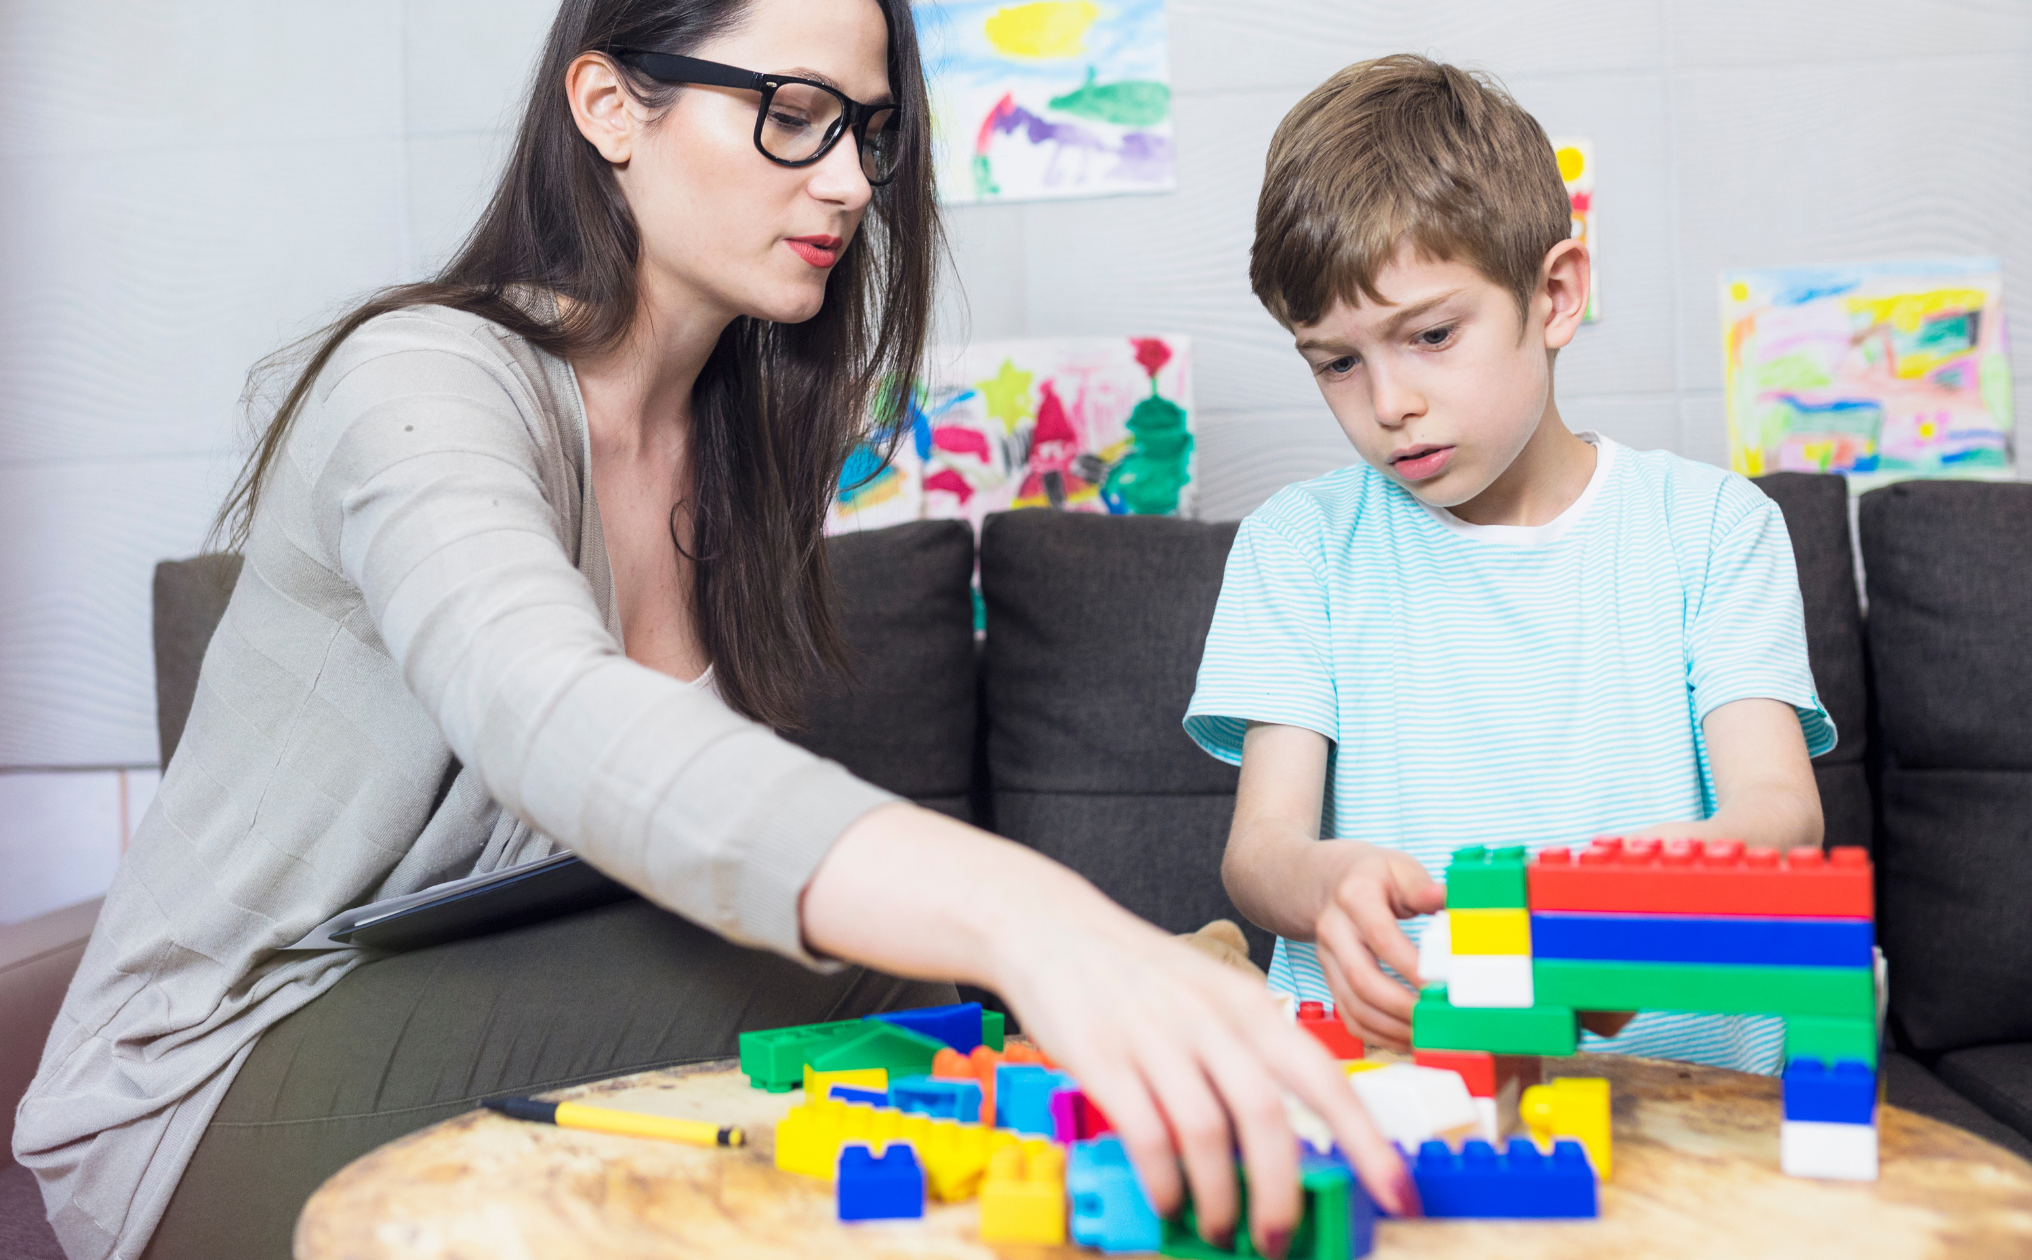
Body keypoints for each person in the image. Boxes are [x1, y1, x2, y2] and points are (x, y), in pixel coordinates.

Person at [11, 4, 1411, 1258]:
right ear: (611, 107)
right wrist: (1035, 915)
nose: (853, 179)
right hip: (203, 1077)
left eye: (866, 131)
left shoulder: (741, 442)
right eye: (795, 114)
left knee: (916, 1024)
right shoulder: (424, 382)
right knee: (911, 967)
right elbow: (545, 712)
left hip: (461, 988)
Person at [1186, 56, 1835, 1069]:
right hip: (1397, 1084)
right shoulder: (1296, 547)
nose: (1387, 402)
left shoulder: (1712, 527)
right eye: (1337, 363)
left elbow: (1781, 812)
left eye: (1430, 334)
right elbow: (1260, 848)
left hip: (1690, 1096)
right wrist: (1324, 881)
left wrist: (1640, 893)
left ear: (1555, 295)